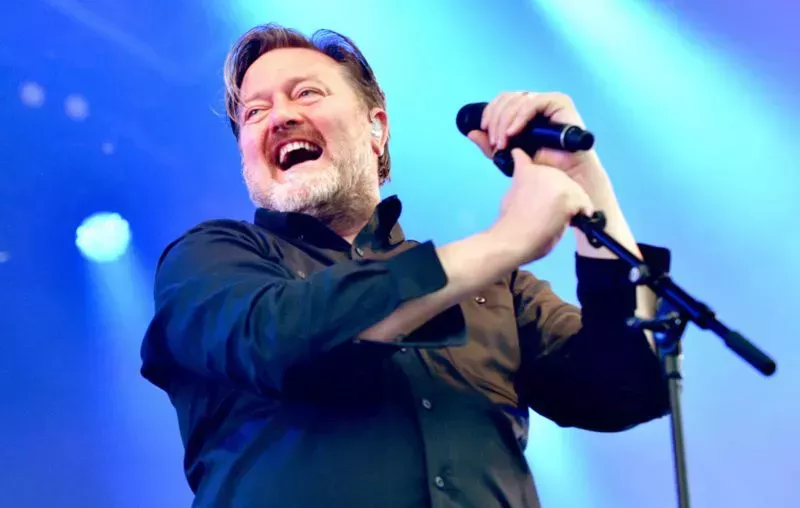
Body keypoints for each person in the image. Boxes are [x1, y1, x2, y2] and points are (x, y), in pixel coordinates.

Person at [140, 23, 671, 508]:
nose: (279, 116)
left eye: (307, 93)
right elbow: (281, 338)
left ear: (377, 128)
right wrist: (506, 240)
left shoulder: (494, 288)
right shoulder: (210, 259)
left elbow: (627, 389)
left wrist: (584, 179)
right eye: (254, 112)